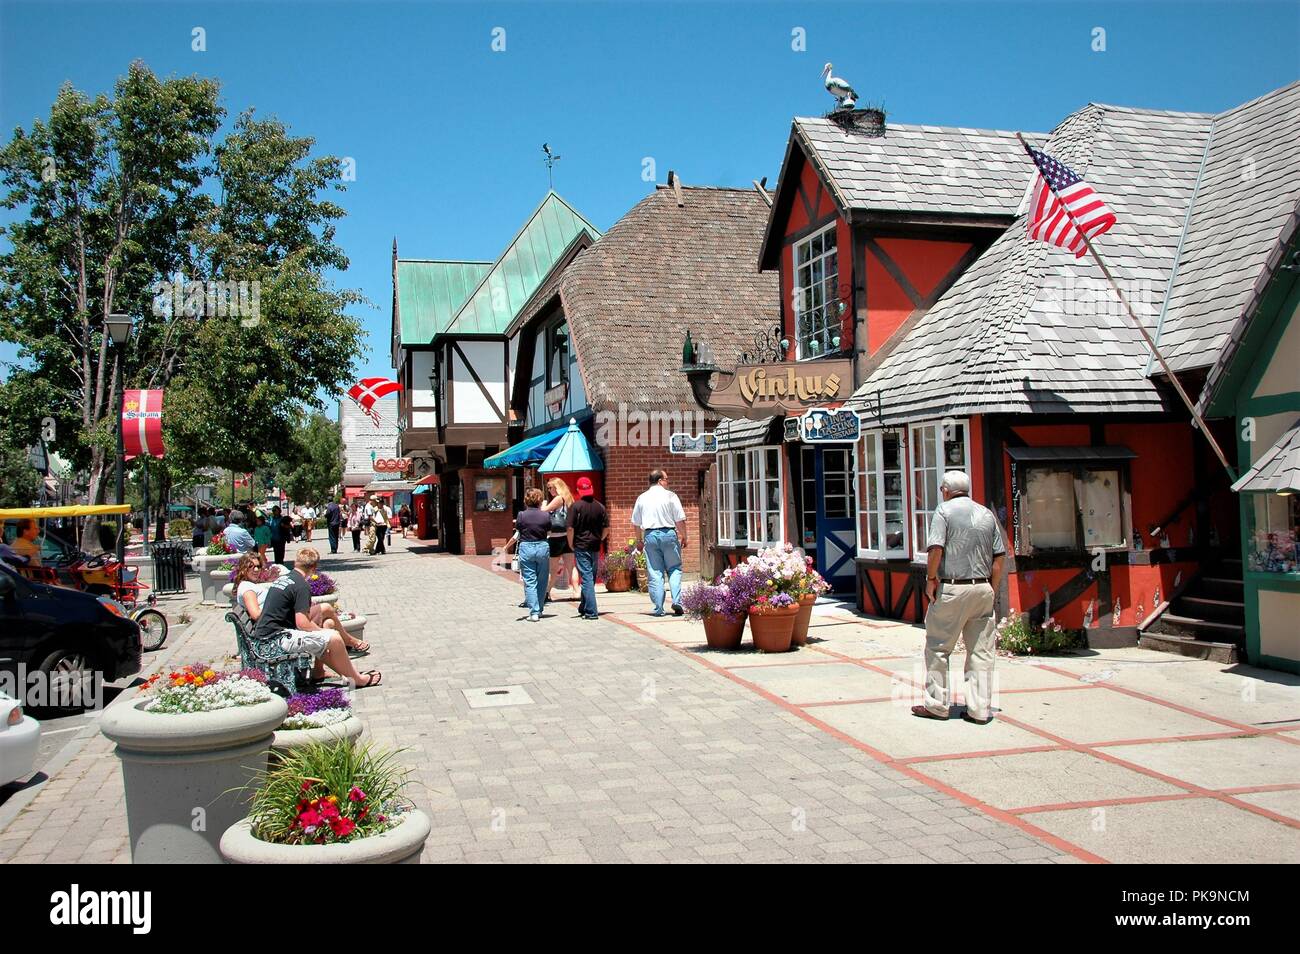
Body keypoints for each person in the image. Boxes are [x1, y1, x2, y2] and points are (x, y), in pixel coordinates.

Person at [912, 471, 1007, 726]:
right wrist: (992, 589)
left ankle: (937, 705)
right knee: (981, 651)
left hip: (953, 588)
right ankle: (979, 710)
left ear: (945, 490)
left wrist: (931, 579)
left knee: (938, 647)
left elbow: (936, 549)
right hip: (982, 587)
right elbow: (999, 557)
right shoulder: (986, 514)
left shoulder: (944, 512)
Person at [252, 547, 380, 687]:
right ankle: (357, 680)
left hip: (264, 636)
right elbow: (302, 623)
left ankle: (349, 675)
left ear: (296, 562)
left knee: (328, 624)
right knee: (334, 638)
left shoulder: (285, 579)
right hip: (276, 640)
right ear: (314, 567)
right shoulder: (301, 586)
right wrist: (326, 633)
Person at [233, 552, 368, 653]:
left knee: (329, 623)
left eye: (258, 566)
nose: (256, 570)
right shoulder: (247, 588)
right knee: (326, 608)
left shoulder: (251, 585)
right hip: (277, 627)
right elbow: (256, 614)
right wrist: (279, 607)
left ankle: (319, 671)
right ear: (244, 569)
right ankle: (349, 641)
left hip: (281, 621)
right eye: (251, 567)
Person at [631, 468, 688, 617]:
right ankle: (677, 601)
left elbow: (636, 523)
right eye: (666, 479)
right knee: (674, 568)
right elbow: (680, 519)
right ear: (660, 481)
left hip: (650, 535)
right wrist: (685, 536)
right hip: (668, 534)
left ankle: (658, 608)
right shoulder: (670, 496)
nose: (668, 482)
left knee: (655, 572)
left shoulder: (642, 498)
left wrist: (639, 540)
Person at [566, 477, 608, 620]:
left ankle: (591, 611)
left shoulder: (575, 507)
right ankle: (584, 606)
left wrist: (571, 543)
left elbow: (570, 529)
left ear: (578, 490)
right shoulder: (600, 507)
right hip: (595, 546)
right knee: (590, 577)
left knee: (587, 577)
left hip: (581, 545)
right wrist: (599, 538)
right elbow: (606, 528)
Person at [515, 488, 551, 622]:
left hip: (526, 547)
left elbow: (519, 528)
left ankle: (534, 612)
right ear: (540, 500)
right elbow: (548, 528)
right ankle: (540, 609)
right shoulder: (545, 515)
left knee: (530, 581)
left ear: (526, 500)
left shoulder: (521, 515)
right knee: (542, 580)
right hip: (542, 546)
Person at [542, 478, 580, 601]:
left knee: (552, 569)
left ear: (557, 487)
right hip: (567, 536)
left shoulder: (558, 498)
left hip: (556, 538)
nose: (549, 490)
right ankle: (576, 591)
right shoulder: (569, 498)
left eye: (550, 487)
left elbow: (544, 511)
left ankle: (546, 593)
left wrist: (543, 504)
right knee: (571, 566)